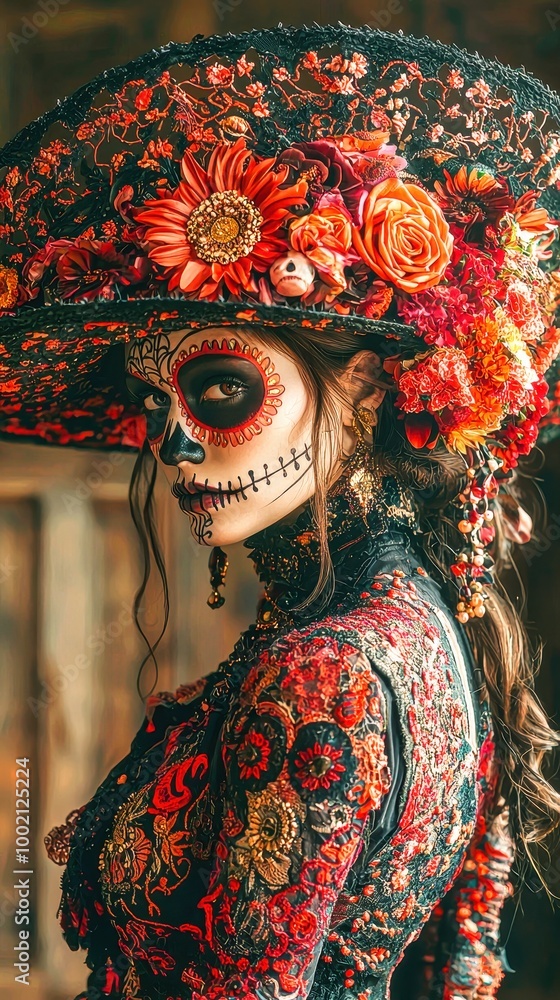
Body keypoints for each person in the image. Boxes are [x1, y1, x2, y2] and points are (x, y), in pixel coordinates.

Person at [2, 23, 560, 1000]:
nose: (170, 439)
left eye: (218, 389)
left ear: (367, 389)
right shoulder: (415, 621)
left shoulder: (323, 680)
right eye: (153, 401)